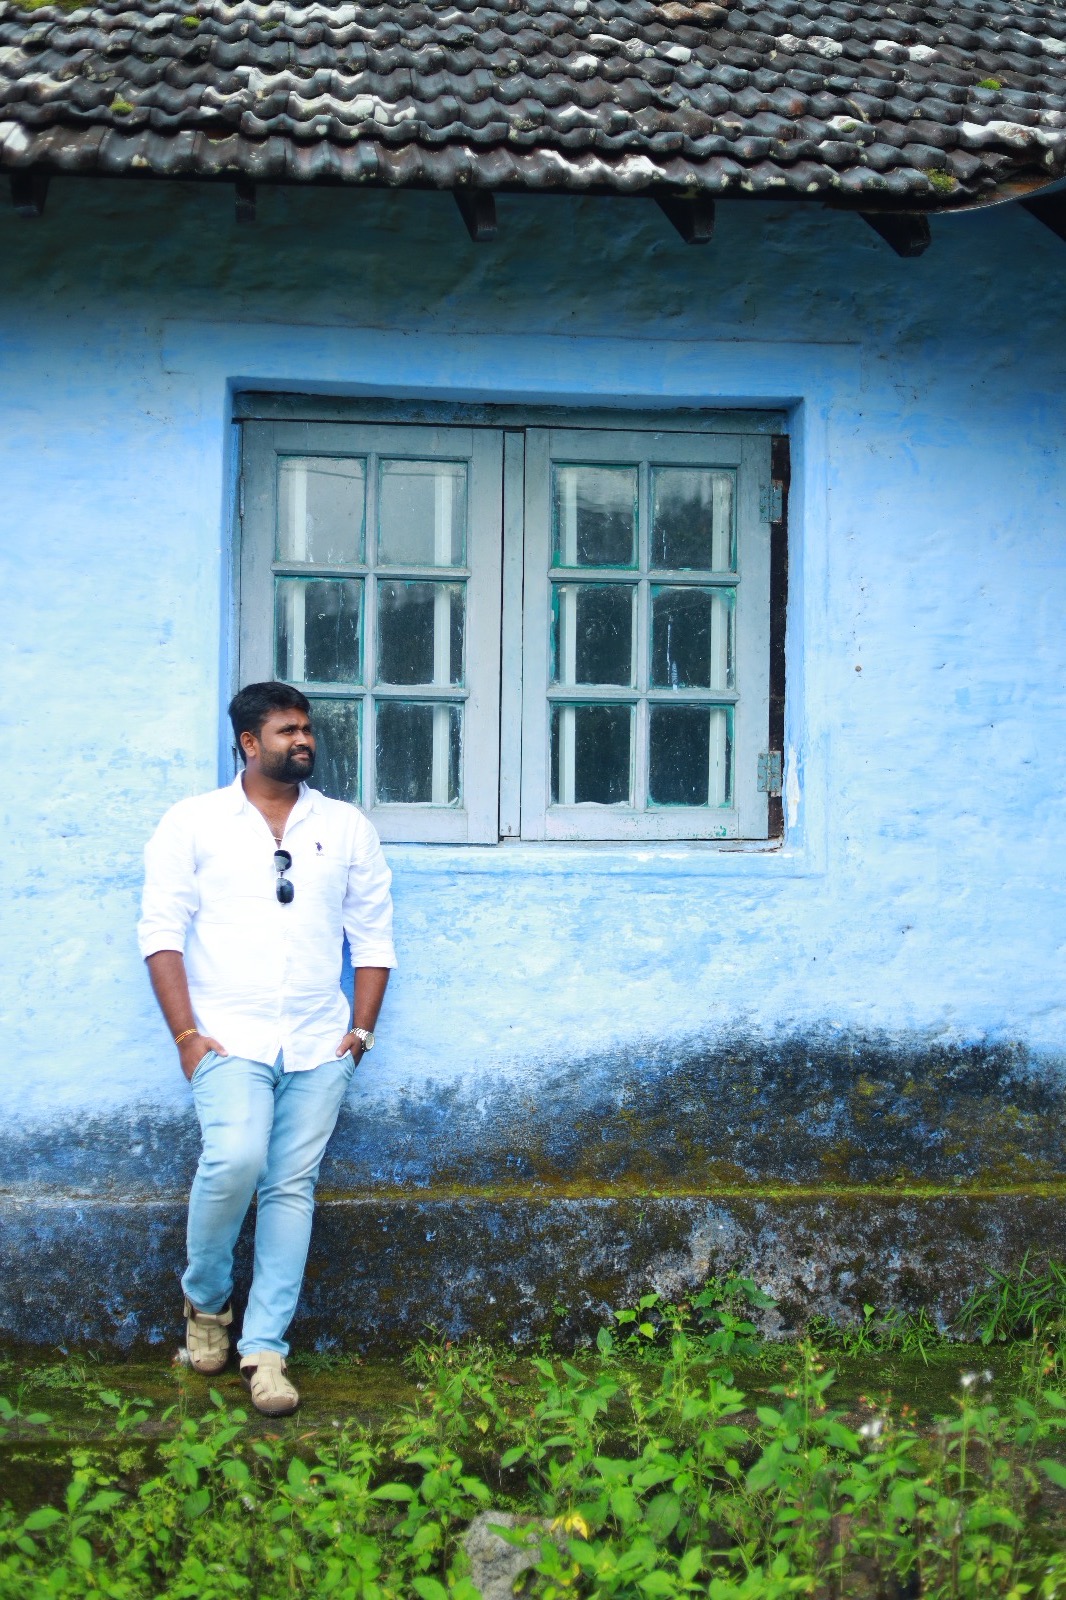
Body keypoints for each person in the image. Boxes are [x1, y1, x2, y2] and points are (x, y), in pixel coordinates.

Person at [138, 681, 396, 1415]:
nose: (303, 739)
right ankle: (206, 1305)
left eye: (306, 728)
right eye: (287, 730)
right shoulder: (194, 823)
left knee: (291, 1188)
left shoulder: (345, 827)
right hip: (227, 1036)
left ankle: (266, 1350)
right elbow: (160, 933)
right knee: (235, 1159)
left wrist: (359, 1035)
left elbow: (373, 939)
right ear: (249, 743)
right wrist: (187, 1036)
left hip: (319, 1041)